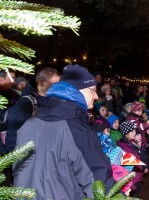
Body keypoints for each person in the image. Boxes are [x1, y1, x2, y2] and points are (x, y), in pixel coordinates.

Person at [13, 64, 115, 199]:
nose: (96, 96)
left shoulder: (30, 123)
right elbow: (98, 182)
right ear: (77, 90)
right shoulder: (76, 128)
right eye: (92, 90)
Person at [5, 67, 60, 153]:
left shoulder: (53, 101)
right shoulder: (26, 103)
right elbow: (12, 140)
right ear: (42, 83)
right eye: (54, 84)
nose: (58, 87)